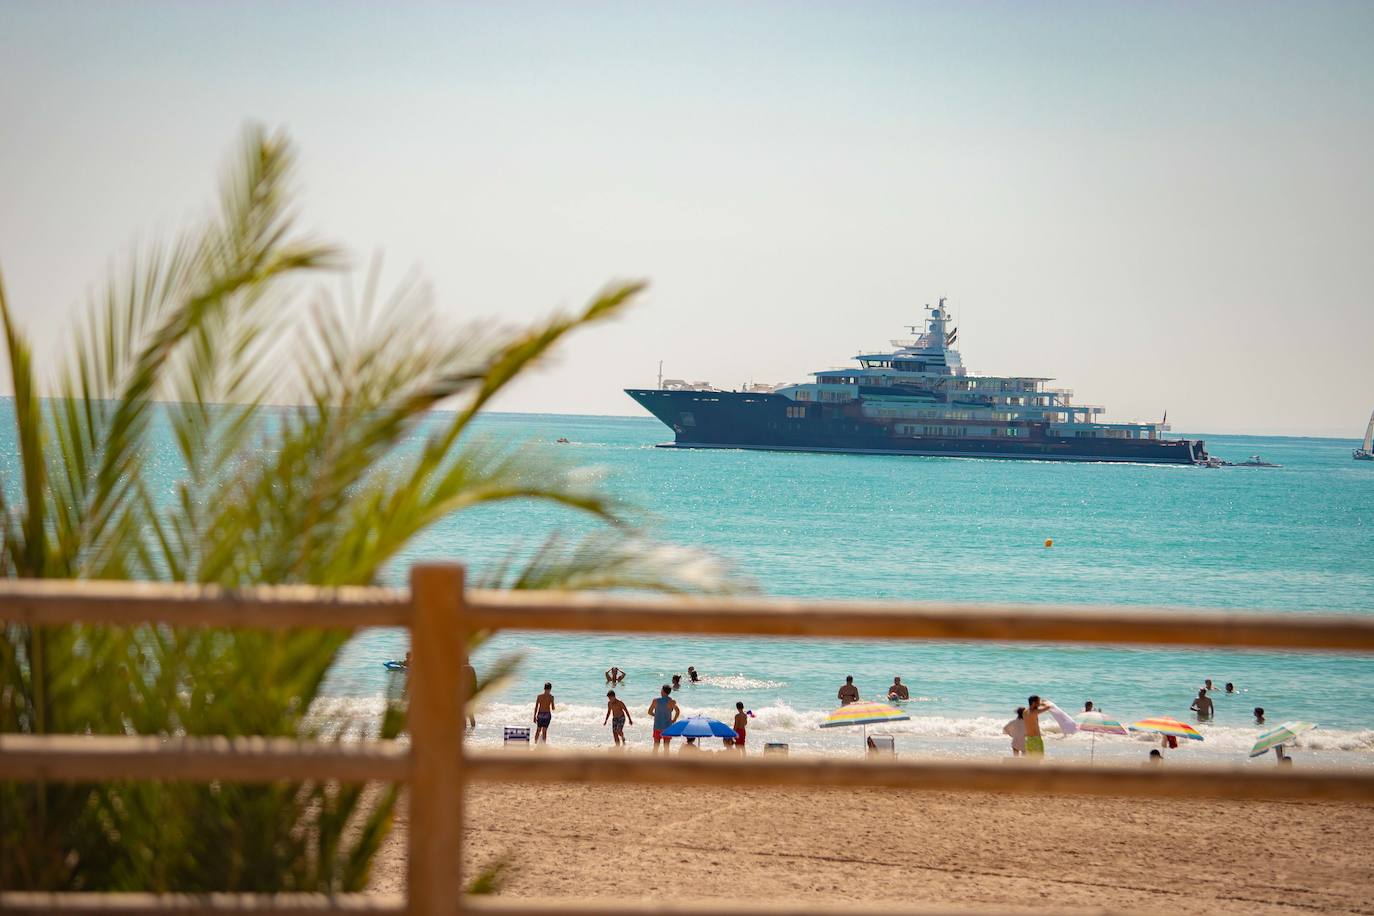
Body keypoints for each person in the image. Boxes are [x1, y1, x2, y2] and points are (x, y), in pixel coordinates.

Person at [648, 685, 680, 752]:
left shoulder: (655, 701)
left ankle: (654, 761)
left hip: (657, 726)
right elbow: (677, 711)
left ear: (662, 691)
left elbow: (649, 712)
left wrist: (656, 715)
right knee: (666, 748)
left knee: (656, 747)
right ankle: (666, 761)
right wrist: (674, 720)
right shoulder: (671, 701)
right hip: (667, 727)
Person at [463, 663, 477, 729]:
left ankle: (465, 734)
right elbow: (475, 683)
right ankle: (472, 731)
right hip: (470, 694)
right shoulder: (471, 668)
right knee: (470, 715)